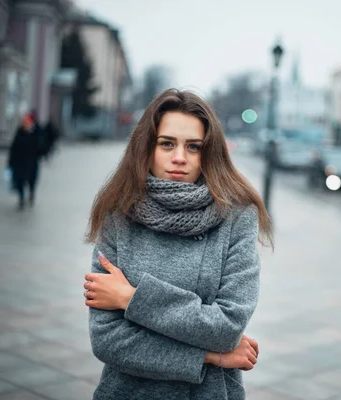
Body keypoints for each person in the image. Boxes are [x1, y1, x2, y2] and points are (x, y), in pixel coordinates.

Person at [83, 88, 273, 399]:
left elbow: (227, 327)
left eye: (194, 147)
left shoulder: (236, 218)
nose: (180, 158)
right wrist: (211, 356)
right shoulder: (119, 213)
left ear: (208, 153)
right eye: (167, 143)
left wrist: (131, 298)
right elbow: (107, 340)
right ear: (147, 147)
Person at [8, 114, 43, 210]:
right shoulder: (19, 132)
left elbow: (40, 147)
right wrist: (10, 162)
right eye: (25, 121)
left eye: (28, 121)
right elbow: (14, 147)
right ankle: (21, 197)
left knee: (31, 180)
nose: (26, 123)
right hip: (20, 162)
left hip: (31, 162)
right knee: (19, 181)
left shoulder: (35, 133)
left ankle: (31, 194)